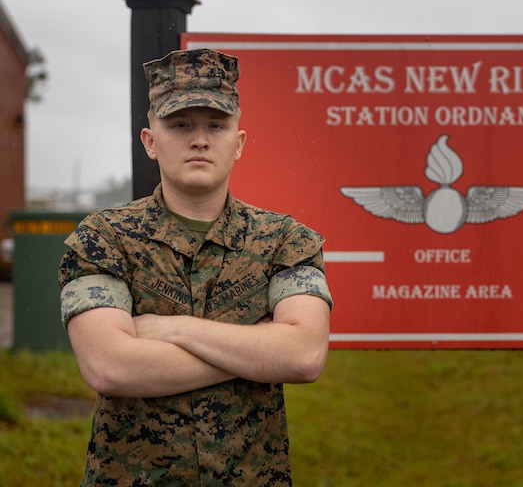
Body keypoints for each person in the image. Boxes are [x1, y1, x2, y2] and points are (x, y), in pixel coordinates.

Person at [59, 48, 333, 486]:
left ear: (237, 143)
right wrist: (260, 350)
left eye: (216, 126)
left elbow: (303, 356)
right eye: (181, 124)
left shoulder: (286, 240)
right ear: (150, 141)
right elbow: (109, 366)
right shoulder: (103, 238)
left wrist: (172, 329)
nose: (200, 140)